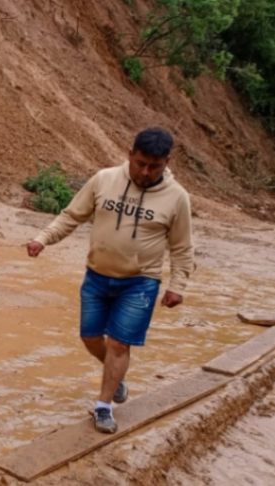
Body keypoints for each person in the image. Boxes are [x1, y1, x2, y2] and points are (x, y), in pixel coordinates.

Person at [26, 127, 194, 434]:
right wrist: (43, 238)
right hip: (97, 276)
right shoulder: (104, 179)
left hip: (140, 282)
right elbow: (72, 216)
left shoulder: (177, 198)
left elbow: (182, 247)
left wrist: (177, 285)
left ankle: (103, 406)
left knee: (118, 343)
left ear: (167, 162)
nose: (145, 172)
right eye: (140, 163)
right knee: (90, 337)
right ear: (129, 154)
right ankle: (116, 377)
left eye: (154, 166)